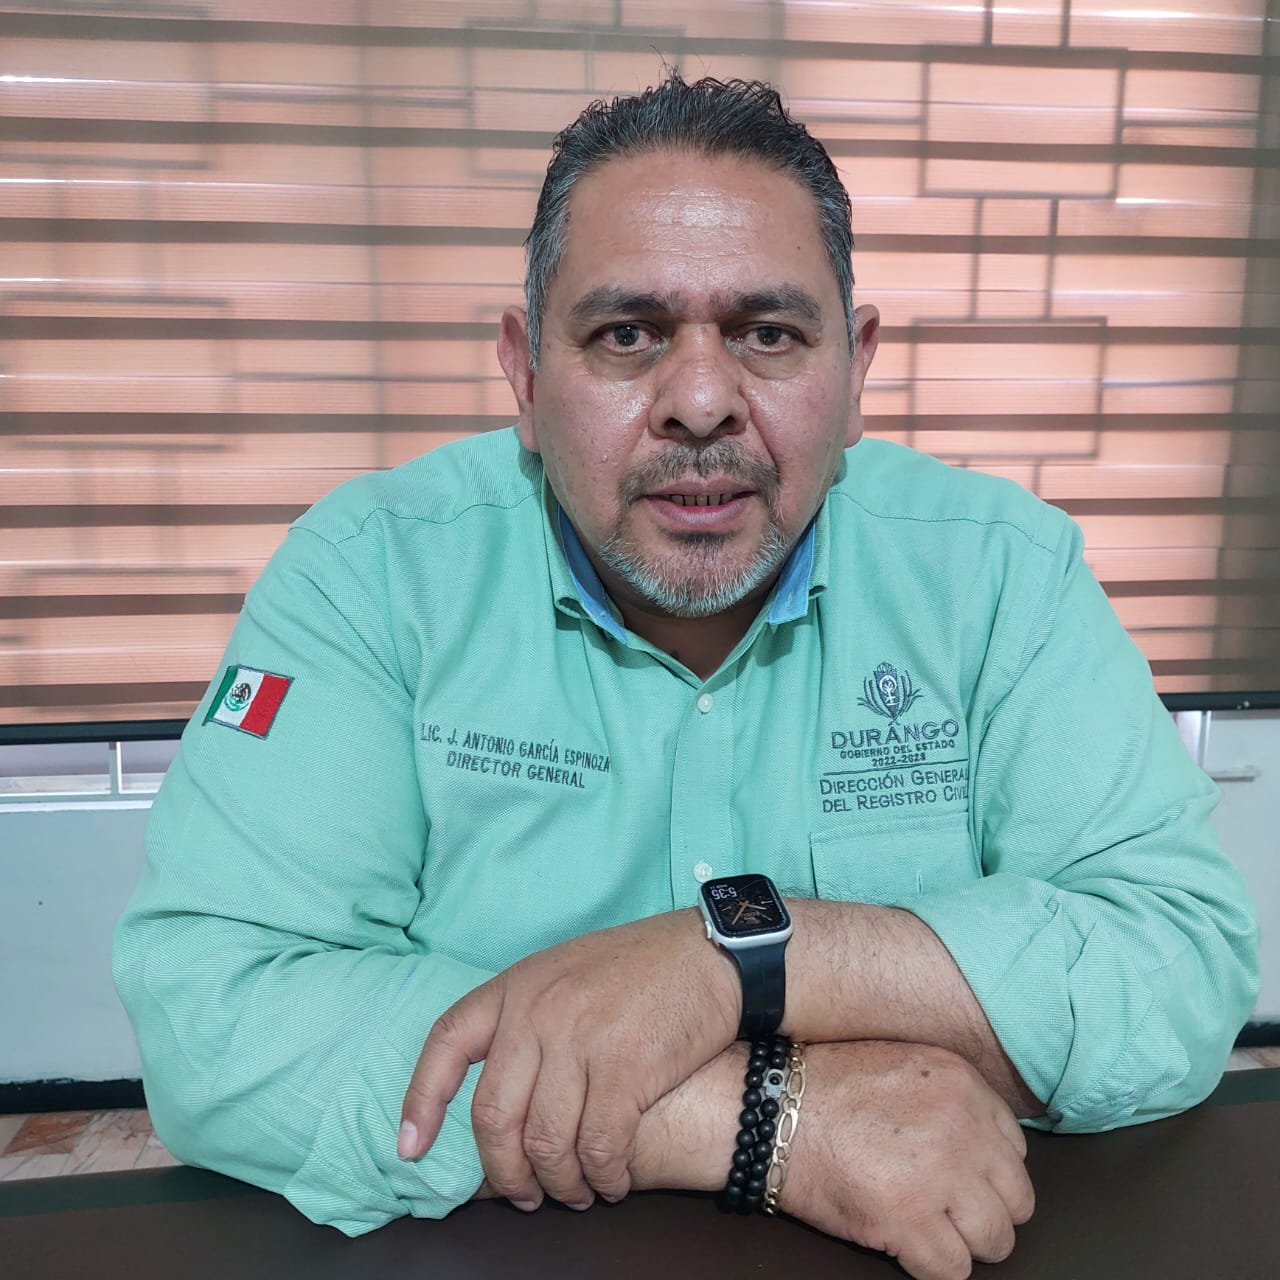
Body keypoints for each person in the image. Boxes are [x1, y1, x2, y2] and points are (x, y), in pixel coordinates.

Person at [113, 73, 1259, 1280]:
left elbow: (1173, 959)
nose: (702, 401)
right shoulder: (369, 575)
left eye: (768, 334)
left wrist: (741, 961)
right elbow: (217, 1015)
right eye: (627, 334)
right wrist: (760, 1115)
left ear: (856, 369)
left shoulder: (1000, 574)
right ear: (524, 374)